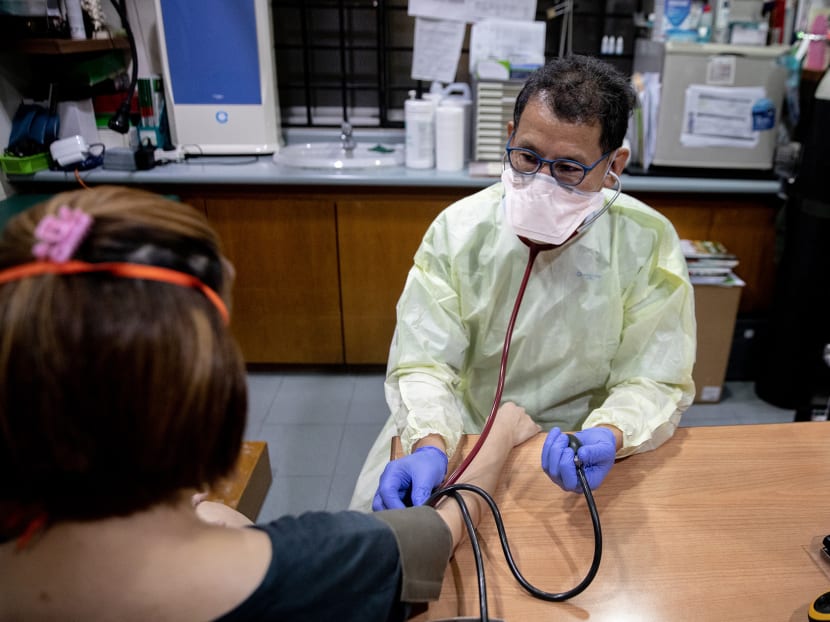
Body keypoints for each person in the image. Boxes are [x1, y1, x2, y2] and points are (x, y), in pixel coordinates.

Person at [0, 186, 541, 622]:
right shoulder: (313, 566)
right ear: (205, 397)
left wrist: (197, 510)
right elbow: (436, 535)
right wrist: (506, 426)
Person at [352, 54, 696, 512]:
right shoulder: (460, 230)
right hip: (461, 431)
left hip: (575, 448)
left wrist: (609, 434)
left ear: (614, 165)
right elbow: (423, 362)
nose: (540, 184)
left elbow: (655, 376)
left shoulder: (645, 241)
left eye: (569, 168)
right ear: (509, 137)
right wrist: (431, 443)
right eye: (528, 157)